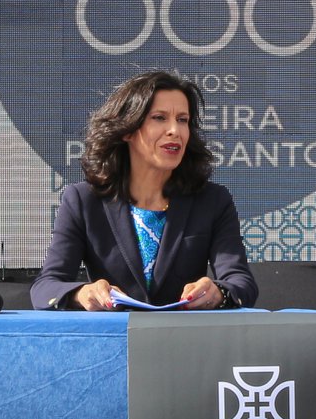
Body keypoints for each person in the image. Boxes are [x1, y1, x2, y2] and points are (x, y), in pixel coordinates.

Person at [31, 71, 258, 311]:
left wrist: (218, 293)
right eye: (159, 118)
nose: (175, 130)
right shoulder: (82, 200)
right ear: (127, 129)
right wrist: (82, 293)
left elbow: (241, 283)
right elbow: (45, 288)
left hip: (185, 340)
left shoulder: (213, 200)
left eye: (182, 120)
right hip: (114, 341)